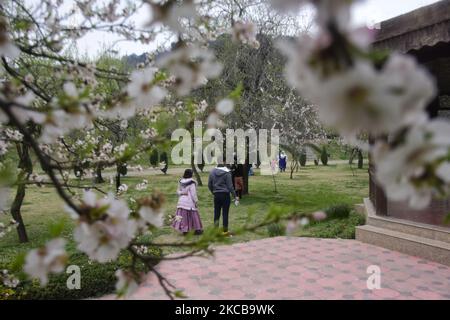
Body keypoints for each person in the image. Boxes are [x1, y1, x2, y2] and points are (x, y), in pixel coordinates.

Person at [208, 164, 239, 236]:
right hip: (225, 195)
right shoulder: (227, 173)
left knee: (216, 213)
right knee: (225, 213)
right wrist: (235, 196)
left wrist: (213, 192)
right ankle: (225, 232)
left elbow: (209, 184)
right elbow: (230, 186)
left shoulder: (212, 172)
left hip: (216, 195)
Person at [172, 169, 203, 235]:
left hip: (181, 202)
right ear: (191, 174)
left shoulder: (180, 181)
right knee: (192, 216)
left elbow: (177, 191)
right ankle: (196, 230)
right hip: (189, 202)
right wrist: (196, 201)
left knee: (183, 217)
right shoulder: (192, 182)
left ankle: (185, 231)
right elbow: (193, 193)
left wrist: (182, 192)